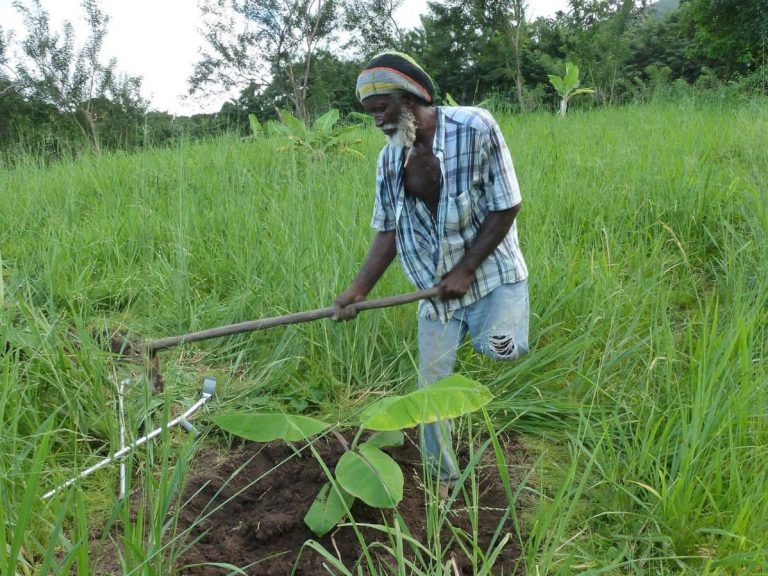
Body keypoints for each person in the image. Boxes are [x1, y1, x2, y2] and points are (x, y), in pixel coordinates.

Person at [333, 52, 529, 489]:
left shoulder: (475, 127)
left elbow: (507, 204)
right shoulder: (390, 161)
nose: (377, 121)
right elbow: (387, 231)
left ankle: (495, 346)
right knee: (431, 389)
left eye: (381, 108)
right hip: (432, 289)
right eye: (370, 114)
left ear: (409, 98)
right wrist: (357, 291)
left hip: (491, 274)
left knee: (503, 351)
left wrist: (465, 270)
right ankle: (443, 477)